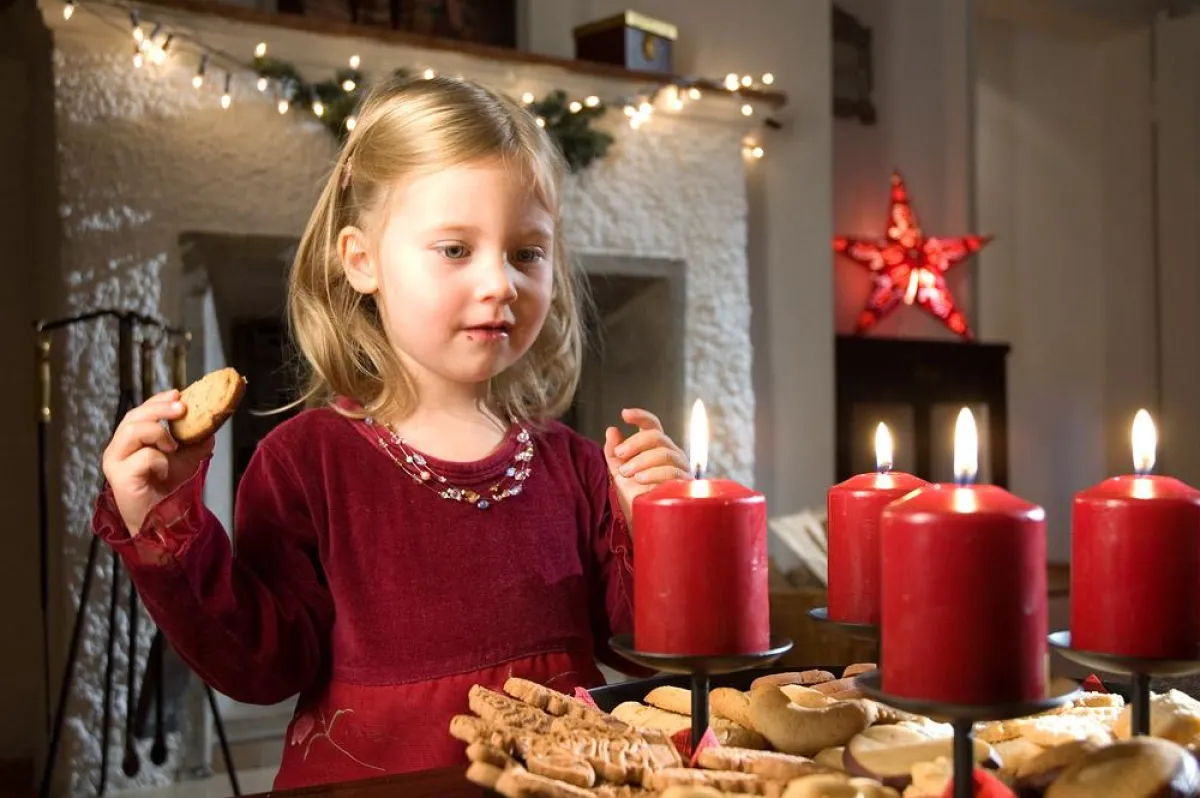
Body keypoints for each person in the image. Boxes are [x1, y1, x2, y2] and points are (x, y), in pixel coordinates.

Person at [93, 75, 690, 789]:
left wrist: (655, 528)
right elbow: (260, 665)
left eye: (527, 253)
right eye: (455, 249)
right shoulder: (306, 461)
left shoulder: (577, 464)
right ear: (362, 260)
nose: (500, 283)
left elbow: (638, 649)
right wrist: (156, 523)